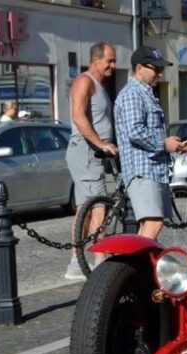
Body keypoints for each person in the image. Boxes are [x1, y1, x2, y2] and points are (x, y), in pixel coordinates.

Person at [115, 45, 187, 240]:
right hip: (142, 171)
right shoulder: (133, 93)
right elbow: (135, 131)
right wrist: (164, 144)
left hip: (154, 170)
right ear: (139, 68)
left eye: (161, 69)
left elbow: (151, 132)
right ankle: (132, 269)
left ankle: (137, 269)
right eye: (155, 68)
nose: (160, 73)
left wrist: (174, 145)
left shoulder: (146, 93)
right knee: (153, 223)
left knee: (148, 228)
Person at [64, 41, 118, 280]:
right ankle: (99, 259)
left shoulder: (98, 85)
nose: (113, 66)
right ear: (95, 60)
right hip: (86, 153)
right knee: (98, 205)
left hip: (92, 154)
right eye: (109, 61)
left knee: (85, 210)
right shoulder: (84, 81)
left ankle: (77, 262)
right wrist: (100, 143)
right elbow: (78, 116)